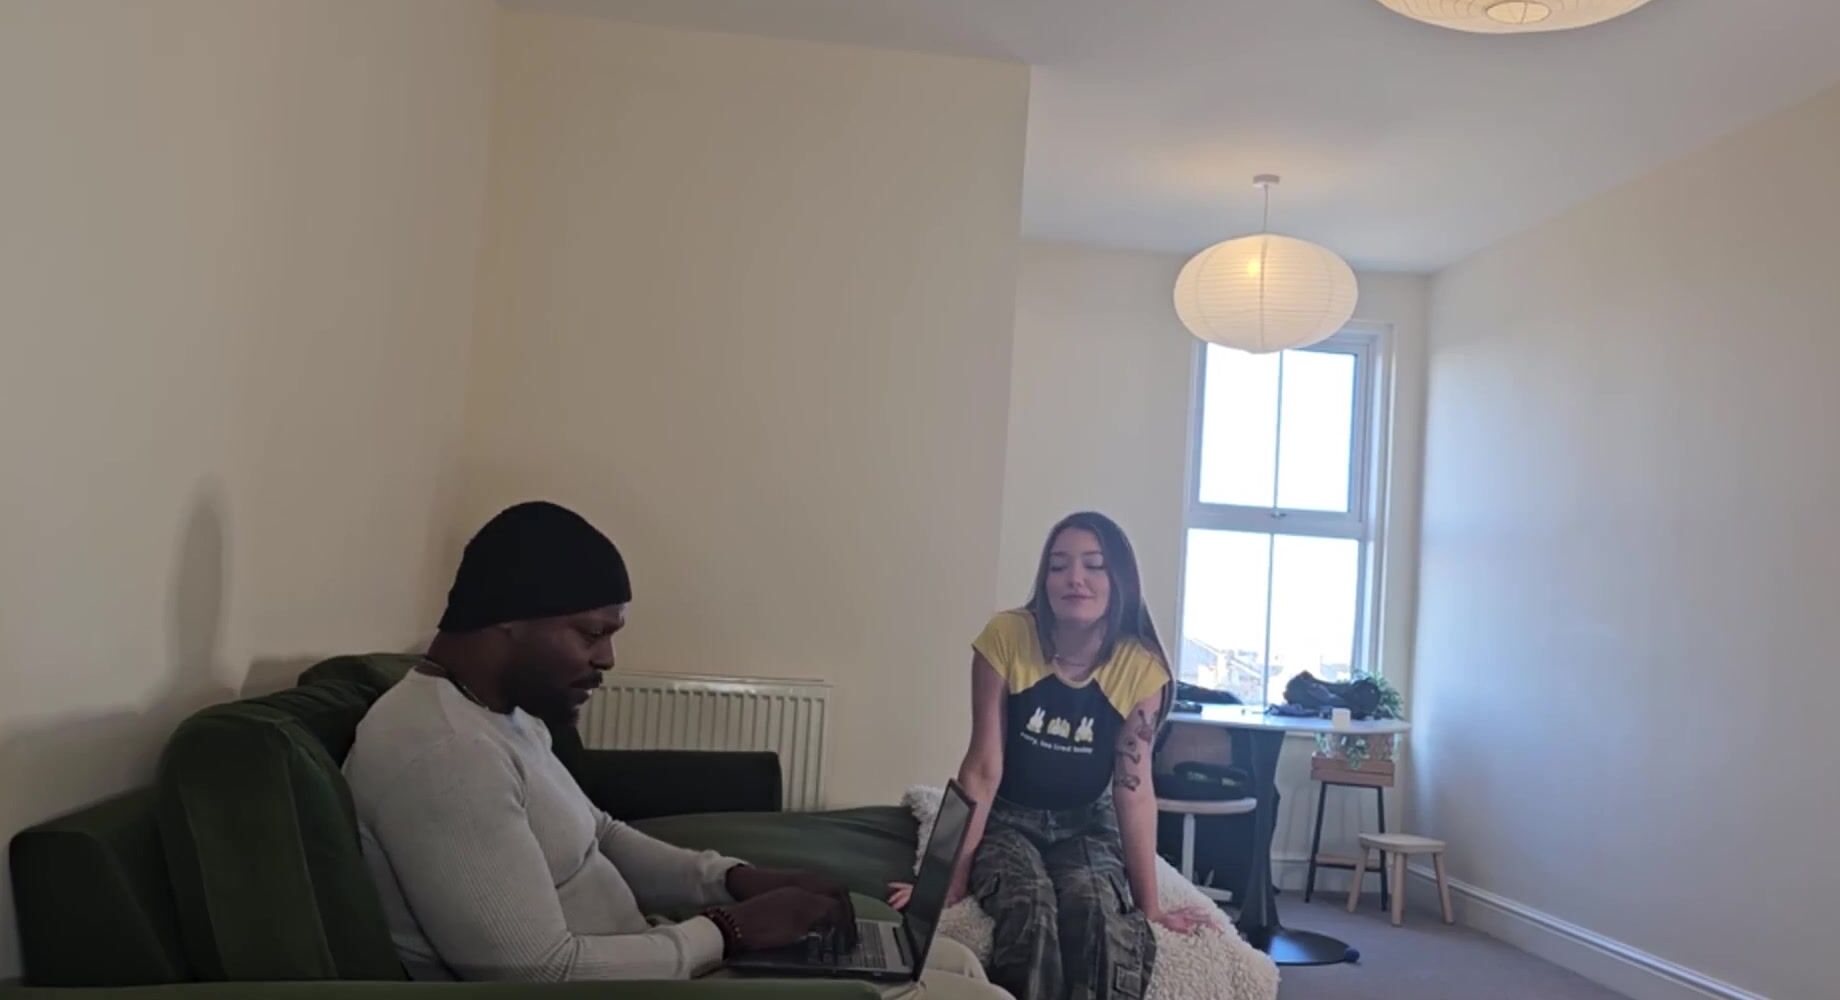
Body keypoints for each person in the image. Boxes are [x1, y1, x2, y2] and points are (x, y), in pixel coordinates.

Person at [345, 501, 1004, 997]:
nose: (607, 658)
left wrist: (735, 879)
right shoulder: (445, 755)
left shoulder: (500, 715)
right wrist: (731, 930)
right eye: (590, 633)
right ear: (509, 617)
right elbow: (537, 974)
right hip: (635, 985)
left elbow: (600, 834)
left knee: (957, 963)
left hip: (653, 962)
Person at [894, 512, 1212, 1000]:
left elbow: (1132, 789)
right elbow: (981, 768)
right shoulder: (1006, 636)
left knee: (1095, 913)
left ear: (1119, 578)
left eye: (1093, 565)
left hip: (1086, 825)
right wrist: (944, 883)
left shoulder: (1141, 667)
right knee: (1031, 910)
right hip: (1008, 821)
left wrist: (1151, 908)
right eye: (1059, 565)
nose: (1074, 578)